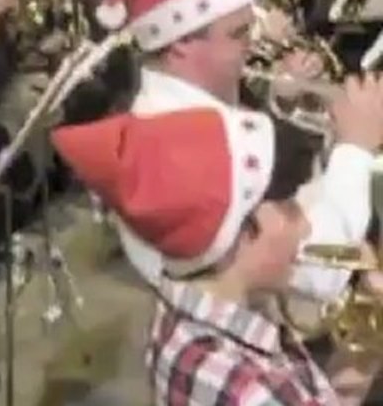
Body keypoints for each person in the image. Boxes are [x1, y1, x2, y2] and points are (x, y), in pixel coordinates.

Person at [91, 0, 376, 303]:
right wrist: (355, 149)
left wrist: (285, 102)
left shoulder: (183, 108)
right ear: (182, 47)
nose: (251, 45)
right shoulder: (180, 144)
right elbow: (322, 270)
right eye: (239, 34)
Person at [52, 102, 383, 405]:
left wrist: (369, 336)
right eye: (288, 207)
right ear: (238, 231)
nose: (305, 228)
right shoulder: (253, 391)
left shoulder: (183, 320)